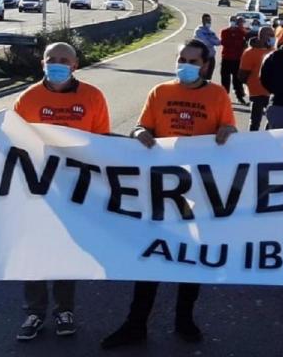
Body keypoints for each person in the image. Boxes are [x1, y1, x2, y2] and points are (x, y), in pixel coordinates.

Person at [102, 40, 237, 349]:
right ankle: (135, 324)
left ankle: (184, 320)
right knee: (151, 256)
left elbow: (229, 131)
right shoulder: (160, 93)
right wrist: (139, 134)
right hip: (160, 189)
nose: (185, 65)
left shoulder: (217, 95)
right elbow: (141, 127)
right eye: (181, 59)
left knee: (191, 257)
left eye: (192, 60)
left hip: (199, 191)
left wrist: (229, 132)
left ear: (204, 66)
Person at [12, 42, 110, 342]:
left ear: (75, 65)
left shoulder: (93, 97)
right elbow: (12, 143)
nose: (57, 63)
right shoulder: (28, 98)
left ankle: (64, 310)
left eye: (63, 59)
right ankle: (34, 312)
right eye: (51, 59)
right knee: (34, 253)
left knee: (67, 251)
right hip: (37, 190)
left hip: (75, 188)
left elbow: (103, 143)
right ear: (43, 63)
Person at [238, 26, 276, 131]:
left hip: (271, 92)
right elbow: (242, 75)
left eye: (274, 35)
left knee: (273, 119)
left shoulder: (274, 51)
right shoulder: (249, 53)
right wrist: (252, 83)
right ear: (262, 36)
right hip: (256, 92)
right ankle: (252, 140)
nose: (273, 38)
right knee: (255, 121)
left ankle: (267, 139)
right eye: (271, 35)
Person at [219, 15, 249, 104]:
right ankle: (225, 97)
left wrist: (237, 43)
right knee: (225, 79)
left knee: (237, 80)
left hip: (237, 59)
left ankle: (240, 97)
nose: (232, 22)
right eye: (231, 20)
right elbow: (224, 42)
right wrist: (236, 42)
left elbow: (245, 42)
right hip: (226, 58)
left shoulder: (241, 32)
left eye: (234, 20)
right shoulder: (224, 31)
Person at [193, 13, 221, 80]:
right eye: (206, 20)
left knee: (208, 78)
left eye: (209, 20)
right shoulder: (198, 31)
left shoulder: (211, 32)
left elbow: (218, 42)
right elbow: (205, 42)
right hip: (202, 58)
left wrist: (210, 40)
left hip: (211, 57)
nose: (208, 21)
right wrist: (212, 41)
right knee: (201, 77)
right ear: (202, 20)